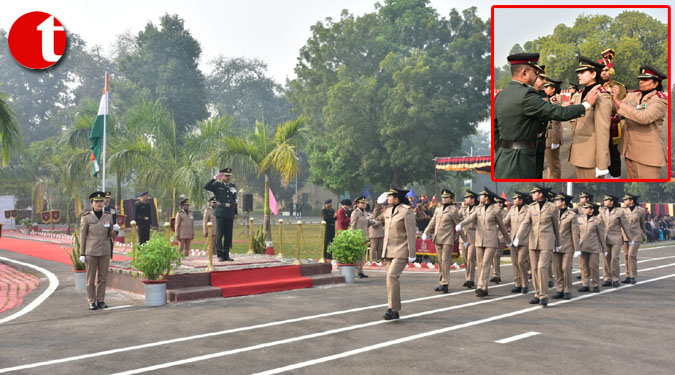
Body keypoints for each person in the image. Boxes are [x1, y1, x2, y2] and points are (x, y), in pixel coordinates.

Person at [493, 52, 594, 179]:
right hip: (520, 160)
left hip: (503, 157)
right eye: (535, 73)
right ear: (524, 73)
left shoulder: (501, 95)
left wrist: (503, 151)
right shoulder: (526, 95)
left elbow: (495, 129)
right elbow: (559, 113)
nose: (536, 77)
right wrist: (586, 104)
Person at [610, 65, 668, 179]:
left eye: (645, 80)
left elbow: (644, 117)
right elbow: (617, 108)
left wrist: (618, 102)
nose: (641, 82)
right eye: (640, 79)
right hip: (629, 151)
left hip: (647, 156)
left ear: (656, 83)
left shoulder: (660, 100)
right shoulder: (634, 95)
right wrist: (609, 97)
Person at [372, 186, 416, 320]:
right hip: (388, 250)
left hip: (401, 249)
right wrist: (378, 204)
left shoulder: (406, 211)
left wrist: (412, 253)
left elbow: (411, 232)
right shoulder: (388, 209)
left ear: (397, 199)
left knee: (392, 276)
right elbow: (376, 218)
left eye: (390, 196)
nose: (388, 198)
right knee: (389, 280)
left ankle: (393, 308)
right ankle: (393, 309)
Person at [457, 187, 510, 298]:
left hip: (491, 240)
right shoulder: (478, 209)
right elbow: (470, 218)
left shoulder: (495, 210)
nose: (479, 197)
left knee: (486, 263)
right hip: (479, 240)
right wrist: (461, 224)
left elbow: (502, 226)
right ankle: (484, 287)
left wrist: (508, 241)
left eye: (482, 195)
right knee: (480, 265)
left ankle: (481, 286)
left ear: (486, 198)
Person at [514, 184, 560, 307]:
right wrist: (518, 237)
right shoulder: (531, 207)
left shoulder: (552, 208)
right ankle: (537, 293)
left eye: (535, 192)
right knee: (534, 269)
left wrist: (558, 243)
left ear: (540, 194)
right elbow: (525, 223)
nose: (532, 194)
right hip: (533, 242)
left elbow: (556, 226)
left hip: (547, 242)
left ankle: (544, 296)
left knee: (541, 268)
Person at [568, 56, 613, 178]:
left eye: (583, 72)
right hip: (579, 154)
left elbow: (603, 131)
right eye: (578, 72)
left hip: (592, 157)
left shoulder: (601, 94)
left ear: (593, 74)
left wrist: (602, 165)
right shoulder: (581, 93)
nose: (579, 75)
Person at [80, 191, 120, 310]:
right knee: (90, 278)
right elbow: (82, 237)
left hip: (105, 251)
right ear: (92, 203)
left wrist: (116, 231)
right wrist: (82, 253)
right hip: (91, 251)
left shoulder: (108, 216)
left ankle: (101, 300)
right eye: (96, 202)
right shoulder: (86, 217)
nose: (99, 204)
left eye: (101, 201)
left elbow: (110, 234)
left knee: (103, 278)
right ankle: (92, 300)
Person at [423, 189, 465, 293]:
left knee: (446, 261)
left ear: (451, 199)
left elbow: (458, 225)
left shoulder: (453, 210)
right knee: (440, 261)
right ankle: (441, 281)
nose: (444, 199)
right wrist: (426, 232)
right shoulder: (438, 208)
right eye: (443, 197)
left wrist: (464, 239)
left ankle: (445, 283)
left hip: (447, 238)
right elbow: (432, 222)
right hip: (438, 238)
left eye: (446, 197)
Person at [599, 49, 626, 179]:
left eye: (606, 70)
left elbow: (623, 106)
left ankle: (615, 177)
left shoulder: (619, 87)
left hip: (613, 126)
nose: (604, 73)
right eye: (602, 70)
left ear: (611, 71)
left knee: (614, 154)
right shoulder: (594, 86)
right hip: (598, 126)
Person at [204, 168, 238, 262]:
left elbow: (234, 200)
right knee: (220, 233)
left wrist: (235, 213)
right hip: (221, 211)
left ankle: (226, 253)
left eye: (229, 176)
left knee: (228, 234)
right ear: (222, 176)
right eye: (226, 175)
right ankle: (220, 254)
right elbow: (206, 186)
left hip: (230, 212)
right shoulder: (217, 185)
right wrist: (214, 178)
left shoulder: (232, 186)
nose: (228, 177)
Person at [600, 194, 633, 287]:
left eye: (606, 200)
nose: (604, 201)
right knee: (605, 260)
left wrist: (630, 239)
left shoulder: (619, 212)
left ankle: (615, 278)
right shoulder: (602, 211)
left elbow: (625, 226)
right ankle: (607, 279)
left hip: (616, 238)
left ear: (611, 202)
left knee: (614, 259)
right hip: (604, 239)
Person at [552, 193, 578, 300]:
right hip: (555, 245)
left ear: (563, 202)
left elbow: (574, 233)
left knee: (566, 268)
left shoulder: (572, 215)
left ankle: (567, 290)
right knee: (557, 269)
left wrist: (577, 249)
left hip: (567, 246)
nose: (556, 201)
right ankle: (559, 289)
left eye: (558, 200)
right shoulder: (553, 214)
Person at [503, 191, 531, 294]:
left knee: (521, 262)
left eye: (516, 199)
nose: (513, 200)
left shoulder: (528, 210)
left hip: (524, 239)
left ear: (521, 200)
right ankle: (517, 284)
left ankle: (525, 284)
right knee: (515, 262)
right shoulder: (512, 210)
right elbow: (506, 221)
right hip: (513, 240)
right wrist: (497, 225)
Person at [577, 202, 606, 293]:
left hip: (593, 247)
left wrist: (604, 248)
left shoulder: (597, 221)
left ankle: (595, 284)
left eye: (587, 208)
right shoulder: (580, 220)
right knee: (583, 267)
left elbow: (601, 235)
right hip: (582, 246)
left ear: (592, 210)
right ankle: (585, 284)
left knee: (593, 266)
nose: (584, 209)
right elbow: (577, 234)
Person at [622, 194, 646, 284]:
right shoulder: (623, 210)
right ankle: (627, 275)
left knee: (631, 255)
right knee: (625, 256)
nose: (624, 201)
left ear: (631, 201)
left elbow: (642, 223)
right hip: (625, 236)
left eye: (626, 199)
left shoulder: (640, 210)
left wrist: (644, 233)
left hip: (635, 236)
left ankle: (633, 276)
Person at [543, 79, 563, 179]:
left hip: (551, 137)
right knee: (551, 165)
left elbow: (555, 121)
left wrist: (555, 140)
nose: (545, 89)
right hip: (548, 137)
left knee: (553, 165)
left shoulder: (553, 100)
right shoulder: (550, 99)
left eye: (547, 87)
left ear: (553, 89)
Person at [458, 190, 478, 288]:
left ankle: (471, 279)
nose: (465, 199)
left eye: (467, 197)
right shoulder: (463, 209)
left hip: (473, 236)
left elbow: (471, 219)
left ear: (472, 199)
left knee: (471, 258)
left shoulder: (477, 209)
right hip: (463, 237)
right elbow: (457, 216)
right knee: (465, 259)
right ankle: (467, 278)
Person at [349, 196, 370, 279]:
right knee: (357, 255)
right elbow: (353, 225)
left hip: (364, 236)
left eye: (364, 203)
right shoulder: (355, 213)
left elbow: (366, 223)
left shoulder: (364, 212)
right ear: (357, 204)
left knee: (362, 254)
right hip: (357, 236)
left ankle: (360, 271)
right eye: (362, 203)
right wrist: (352, 235)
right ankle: (356, 271)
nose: (363, 204)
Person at [491, 196, 508, 283]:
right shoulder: (492, 212)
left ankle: (496, 274)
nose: (498, 204)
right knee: (492, 256)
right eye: (496, 202)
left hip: (501, 237)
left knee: (496, 255)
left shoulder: (505, 213)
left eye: (500, 202)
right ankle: (496, 274)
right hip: (492, 237)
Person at [104, 191, 117, 257]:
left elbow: (114, 217)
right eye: (106, 198)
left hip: (110, 227)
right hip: (102, 228)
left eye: (108, 198)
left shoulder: (111, 208)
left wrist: (114, 226)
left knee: (110, 242)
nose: (107, 200)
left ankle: (110, 256)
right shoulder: (101, 208)